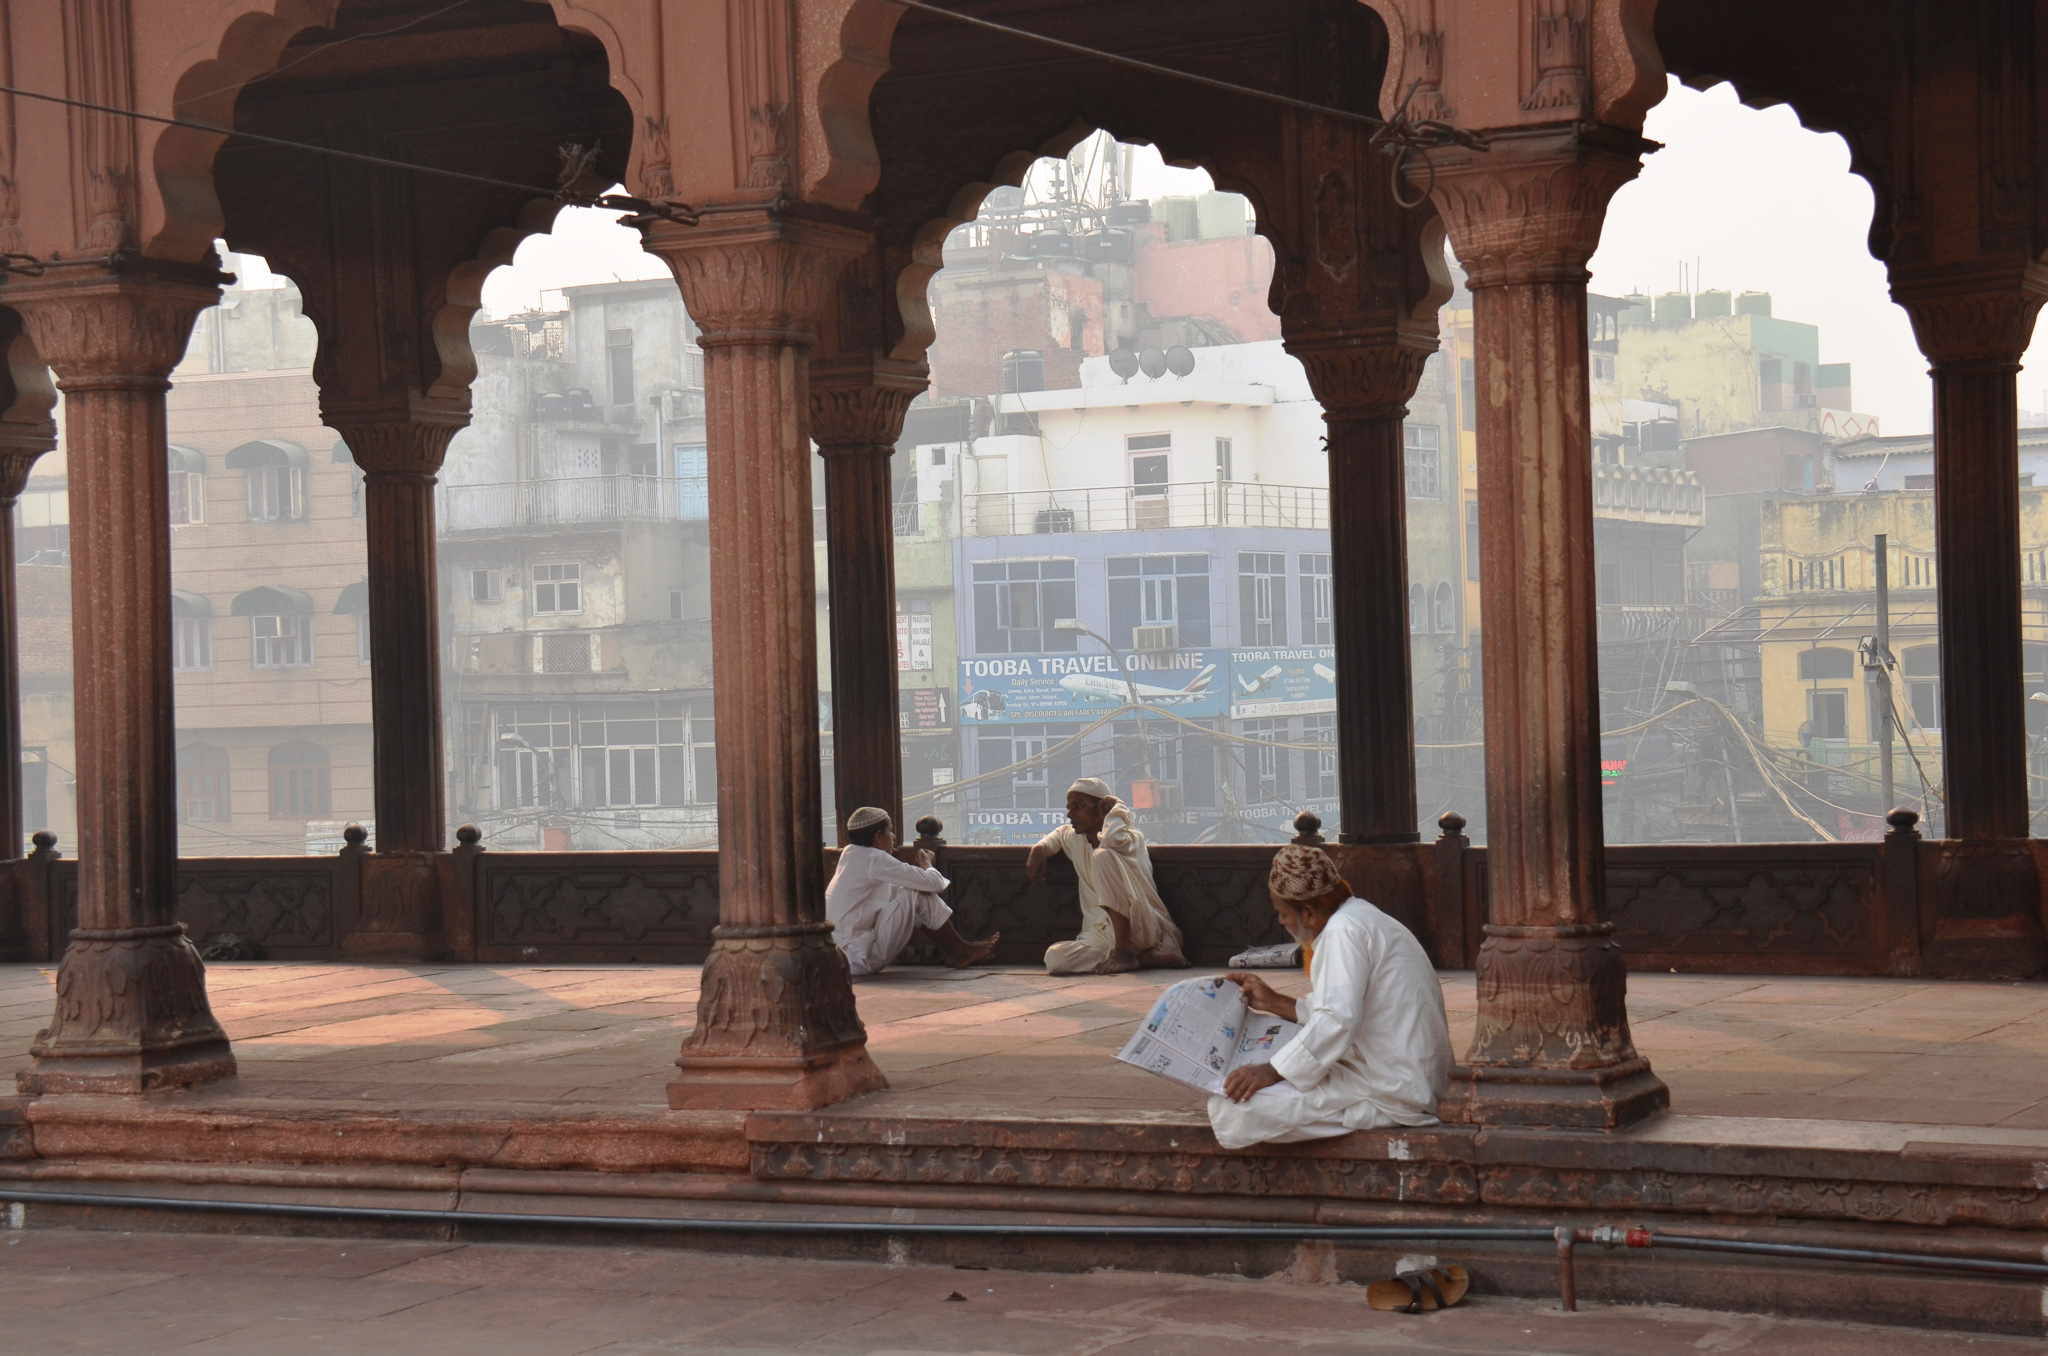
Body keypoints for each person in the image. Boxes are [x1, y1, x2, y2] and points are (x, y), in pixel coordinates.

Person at [1207, 844, 1452, 1150]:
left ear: (1308, 913)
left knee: (1232, 1109)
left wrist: (1272, 1071)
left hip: (1393, 1088)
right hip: (1398, 1073)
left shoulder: (1342, 932)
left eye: (1283, 914)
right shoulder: (1361, 917)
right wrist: (1273, 1002)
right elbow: (1342, 1009)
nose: (1283, 922)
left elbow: (1337, 1019)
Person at [1027, 778, 1188, 975]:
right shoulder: (1076, 839)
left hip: (1142, 927)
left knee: (1102, 856)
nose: (1070, 814)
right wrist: (1039, 848)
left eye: (1078, 806)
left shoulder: (1130, 838)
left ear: (1102, 808)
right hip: (1100, 935)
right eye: (1069, 808)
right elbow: (1058, 834)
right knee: (1055, 958)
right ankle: (1140, 959)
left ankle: (1124, 950)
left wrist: (1118, 808)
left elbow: (1110, 841)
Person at [825, 807, 999, 977]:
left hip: (845, 956)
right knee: (915, 894)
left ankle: (957, 950)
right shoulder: (873, 858)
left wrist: (917, 885)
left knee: (913, 892)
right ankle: (959, 951)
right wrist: (927, 864)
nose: (893, 837)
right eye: (890, 831)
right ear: (878, 836)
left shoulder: (851, 855)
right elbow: (936, 884)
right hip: (859, 958)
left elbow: (895, 892)